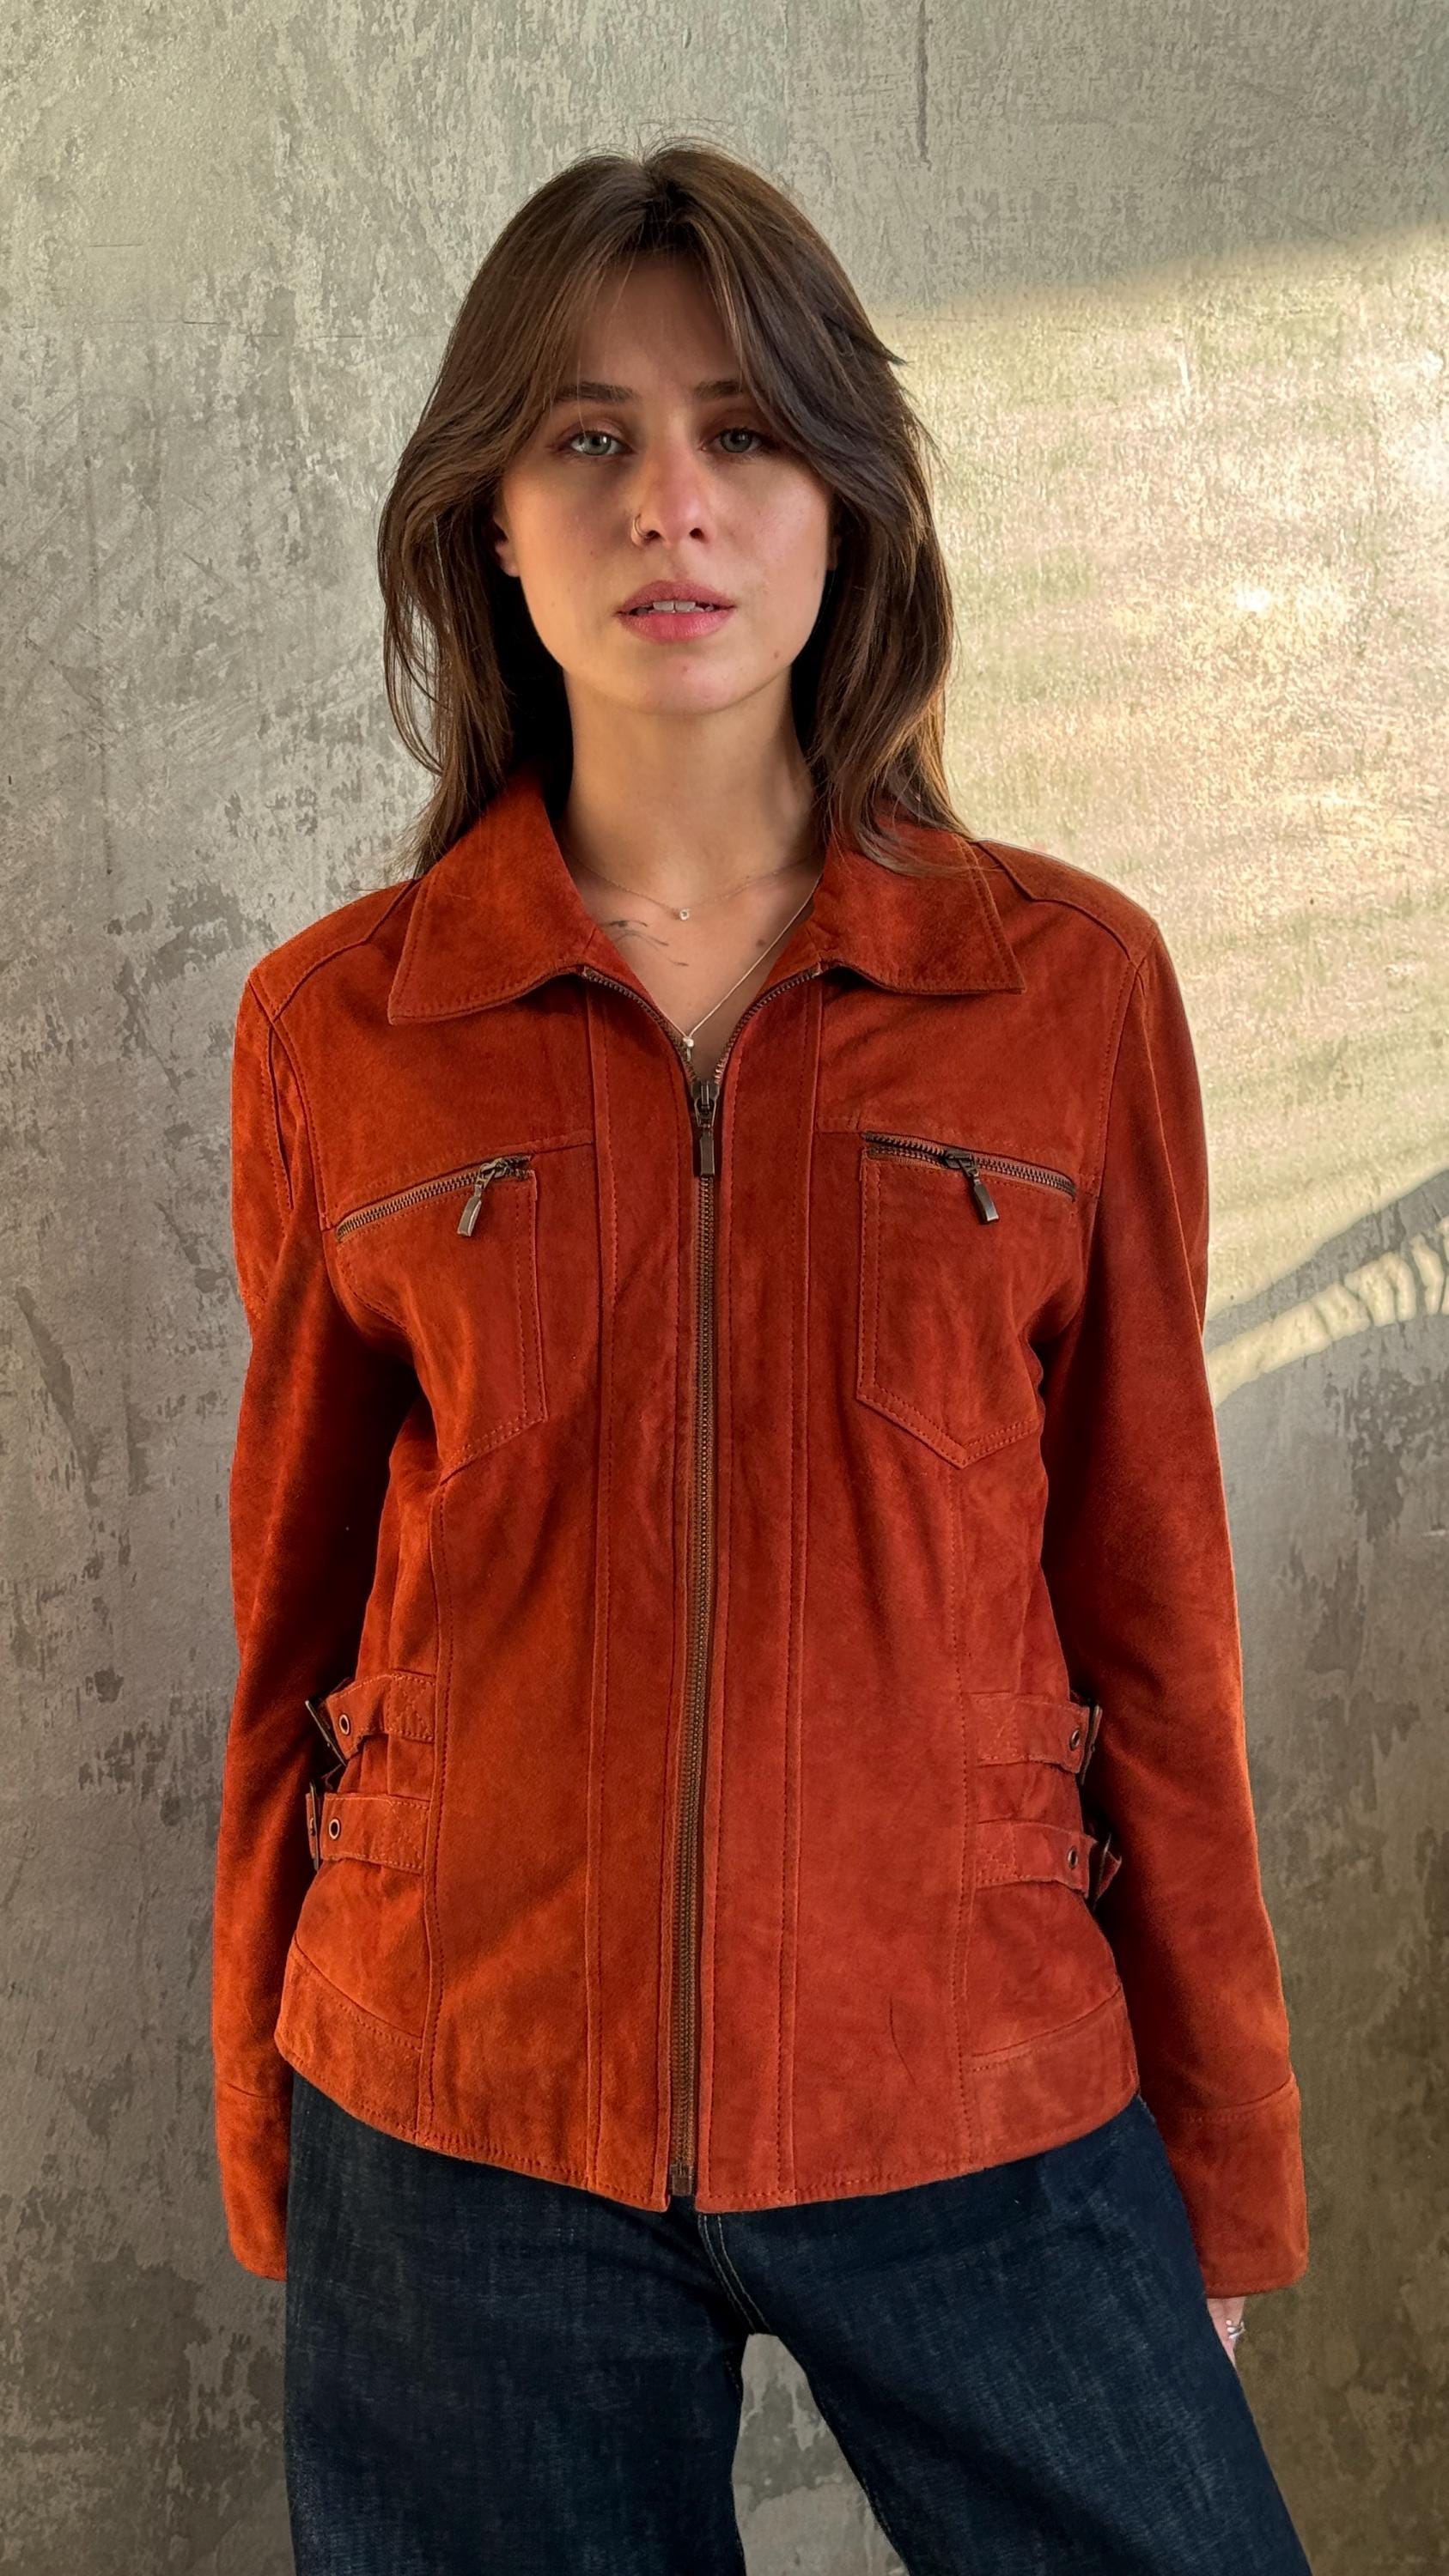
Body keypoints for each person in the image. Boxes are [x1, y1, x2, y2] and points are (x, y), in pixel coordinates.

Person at [212, 137, 1314, 2573]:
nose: (671, 505)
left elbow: (1157, 1594)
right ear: (488, 518)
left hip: (980, 2068)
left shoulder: (1064, 987)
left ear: (849, 507)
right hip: (464, 2098)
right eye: (588, 437)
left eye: (745, 432)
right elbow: (296, 1614)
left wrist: (1222, 2160)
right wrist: (266, 2103)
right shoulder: (343, 1028)